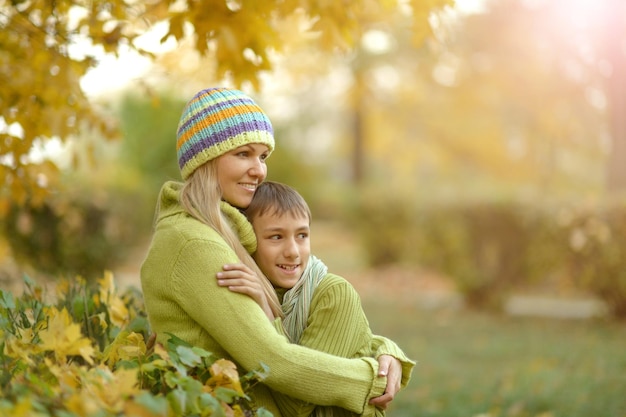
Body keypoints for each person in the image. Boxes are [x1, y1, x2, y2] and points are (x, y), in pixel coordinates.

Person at [140, 87, 408, 417]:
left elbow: (298, 319)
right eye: (243, 154)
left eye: (263, 156)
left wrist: (384, 349)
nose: (259, 170)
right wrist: (371, 380)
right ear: (205, 158)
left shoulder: (220, 230)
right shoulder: (197, 242)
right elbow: (274, 359)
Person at [217, 181, 416, 416]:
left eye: (302, 235)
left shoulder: (333, 293)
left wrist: (267, 313)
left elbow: (296, 408)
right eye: (276, 237)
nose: (293, 251)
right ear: (248, 241)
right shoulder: (252, 288)